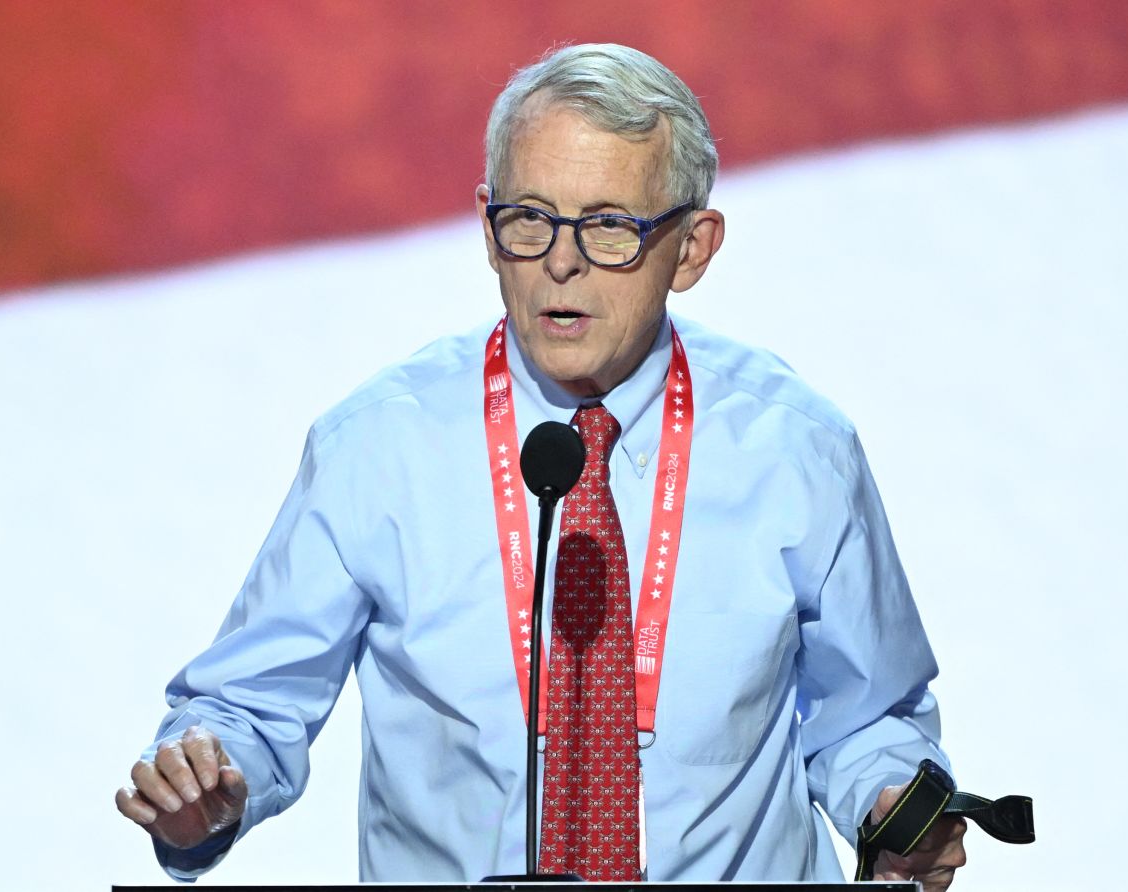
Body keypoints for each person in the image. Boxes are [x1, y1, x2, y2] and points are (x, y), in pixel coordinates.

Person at [115, 43, 967, 888]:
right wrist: (203, 788)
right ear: (489, 229)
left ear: (694, 248)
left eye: (608, 228)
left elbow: (869, 716)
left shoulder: (796, 450)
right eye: (530, 220)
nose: (561, 262)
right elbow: (248, 710)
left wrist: (893, 805)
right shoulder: (377, 449)